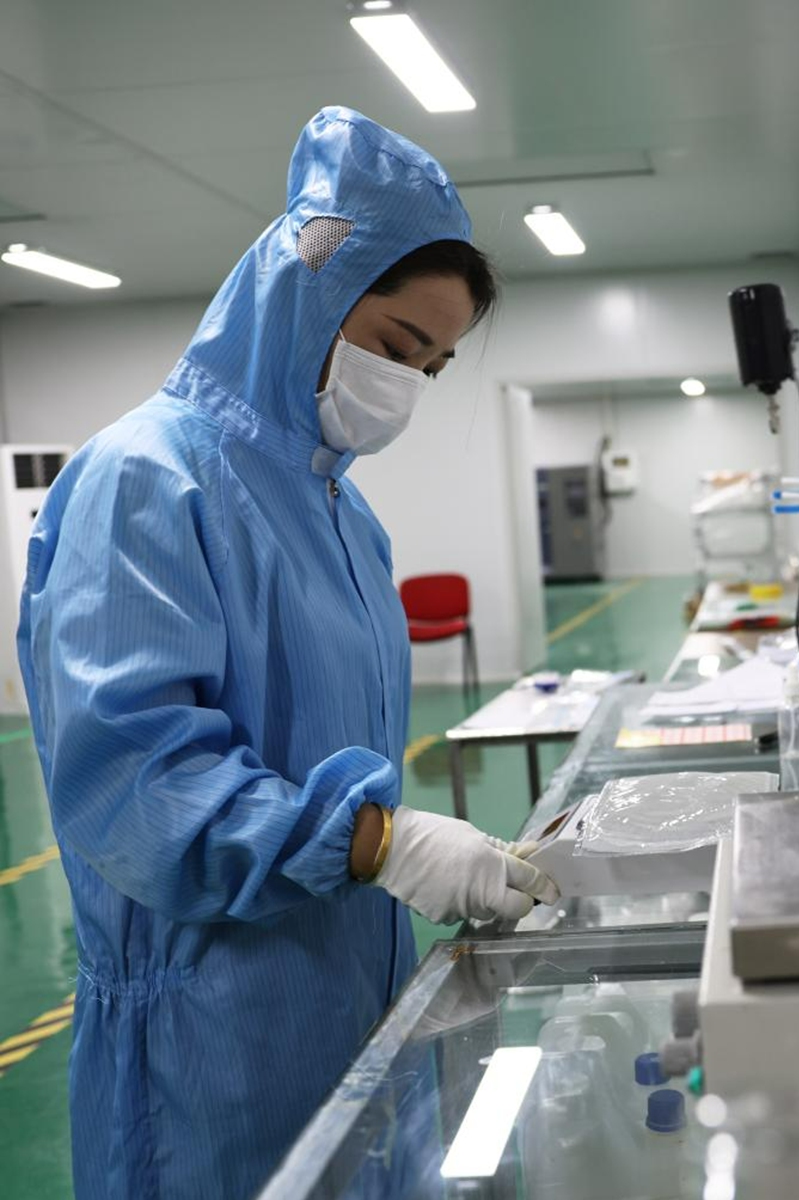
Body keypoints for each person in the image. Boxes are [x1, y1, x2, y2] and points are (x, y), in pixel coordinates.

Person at [17, 106, 559, 1199]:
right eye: (399, 346)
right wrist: (376, 842)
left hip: (350, 1001)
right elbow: (138, 784)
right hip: (205, 1045)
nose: (407, 384)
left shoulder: (343, 518)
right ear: (306, 289)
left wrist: (387, 848)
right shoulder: (148, 479)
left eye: (436, 366)